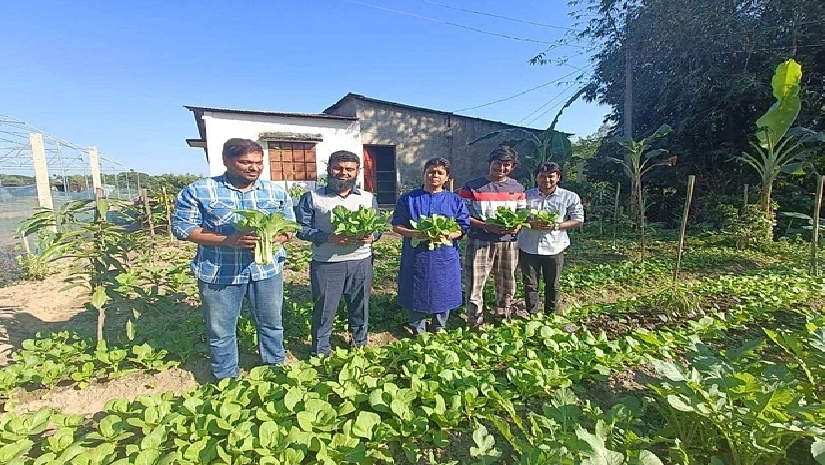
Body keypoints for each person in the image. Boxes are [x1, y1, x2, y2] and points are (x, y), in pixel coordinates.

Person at [172, 138, 295, 380]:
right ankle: (226, 377)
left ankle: (275, 368)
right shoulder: (199, 190)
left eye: (259, 162)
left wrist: (275, 238)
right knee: (221, 329)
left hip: (267, 270)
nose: (254, 168)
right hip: (220, 271)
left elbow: (290, 226)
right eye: (246, 162)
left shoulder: (276, 192)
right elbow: (182, 228)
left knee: (271, 323)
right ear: (226, 161)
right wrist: (227, 240)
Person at [295, 150, 380, 356]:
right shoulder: (313, 197)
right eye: (338, 168)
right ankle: (320, 350)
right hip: (326, 262)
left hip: (361, 260)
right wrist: (328, 237)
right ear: (329, 169)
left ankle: (359, 343)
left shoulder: (368, 198)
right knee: (325, 307)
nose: (343, 173)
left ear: (357, 172)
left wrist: (373, 236)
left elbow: (378, 227)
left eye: (349, 169)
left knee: (360, 305)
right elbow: (299, 228)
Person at [392, 158, 470, 335]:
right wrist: (416, 233)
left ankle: (439, 327)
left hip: (444, 255)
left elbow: (463, 226)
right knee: (415, 288)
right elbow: (397, 226)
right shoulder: (408, 199)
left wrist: (448, 235)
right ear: (424, 174)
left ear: (447, 177)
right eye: (431, 172)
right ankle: (417, 329)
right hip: (416, 254)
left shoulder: (455, 200)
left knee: (444, 289)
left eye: (439, 173)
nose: (435, 175)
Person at [458, 146, 526, 327]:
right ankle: (474, 320)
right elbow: (462, 215)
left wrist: (517, 226)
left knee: (507, 282)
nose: (501, 168)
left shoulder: (517, 187)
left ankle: (503, 315)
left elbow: (522, 214)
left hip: (508, 243)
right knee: (475, 282)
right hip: (479, 241)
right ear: (490, 163)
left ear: (512, 167)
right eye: (497, 163)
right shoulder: (472, 186)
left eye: (507, 165)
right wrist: (485, 226)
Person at [518, 162, 584, 314]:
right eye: (542, 176)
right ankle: (532, 314)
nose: (546, 180)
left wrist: (556, 225)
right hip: (528, 246)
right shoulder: (525, 196)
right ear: (536, 178)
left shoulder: (569, 197)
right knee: (530, 283)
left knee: (552, 284)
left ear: (558, 177)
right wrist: (530, 223)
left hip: (555, 246)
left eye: (550, 176)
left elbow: (578, 220)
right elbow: (517, 216)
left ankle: (550, 315)